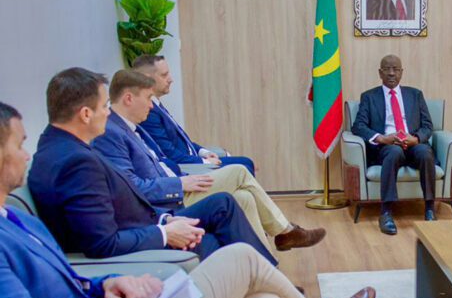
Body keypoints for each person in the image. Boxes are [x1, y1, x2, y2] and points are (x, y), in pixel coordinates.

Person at [0, 101, 376, 298]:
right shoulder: (71, 162)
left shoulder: (17, 218)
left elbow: (65, 281)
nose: (26, 155)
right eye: (19, 145)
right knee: (241, 258)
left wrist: (106, 286)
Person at [28, 68, 275, 263]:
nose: (108, 113)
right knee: (216, 231)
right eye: (104, 106)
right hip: (138, 243)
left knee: (223, 205)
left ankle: (266, 279)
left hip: (148, 221)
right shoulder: (76, 162)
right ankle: (268, 281)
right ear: (85, 114)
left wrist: (165, 220)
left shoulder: (60, 147)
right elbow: (102, 243)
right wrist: (165, 232)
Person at [93, 69, 325, 252]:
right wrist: (180, 184)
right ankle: (285, 231)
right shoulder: (112, 134)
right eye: (148, 98)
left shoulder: (132, 128)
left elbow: (163, 161)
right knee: (238, 171)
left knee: (244, 198)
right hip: (170, 200)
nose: (152, 105)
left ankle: (267, 270)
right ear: (128, 98)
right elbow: (132, 188)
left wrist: (186, 174)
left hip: (180, 182)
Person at [352, 54, 435, 235]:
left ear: (401, 72)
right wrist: (382, 138)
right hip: (387, 146)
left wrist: (416, 139)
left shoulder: (415, 94)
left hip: (412, 143)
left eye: (395, 69)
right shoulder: (369, 97)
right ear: (380, 73)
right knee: (394, 152)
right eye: (387, 69)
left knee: (425, 153)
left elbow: (428, 126)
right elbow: (358, 126)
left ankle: (430, 208)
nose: (391, 73)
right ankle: (386, 212)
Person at [132, 54, 256, 175]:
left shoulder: (157, 106)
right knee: (243, 167)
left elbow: (183, 142)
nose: (170, 79)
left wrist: (204, 152)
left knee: (245, 163)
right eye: (164, 75)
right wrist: (205, 162)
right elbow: (169, 153)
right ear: (147, 78)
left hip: (193, 160)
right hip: (187, 168)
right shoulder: (149, 112)